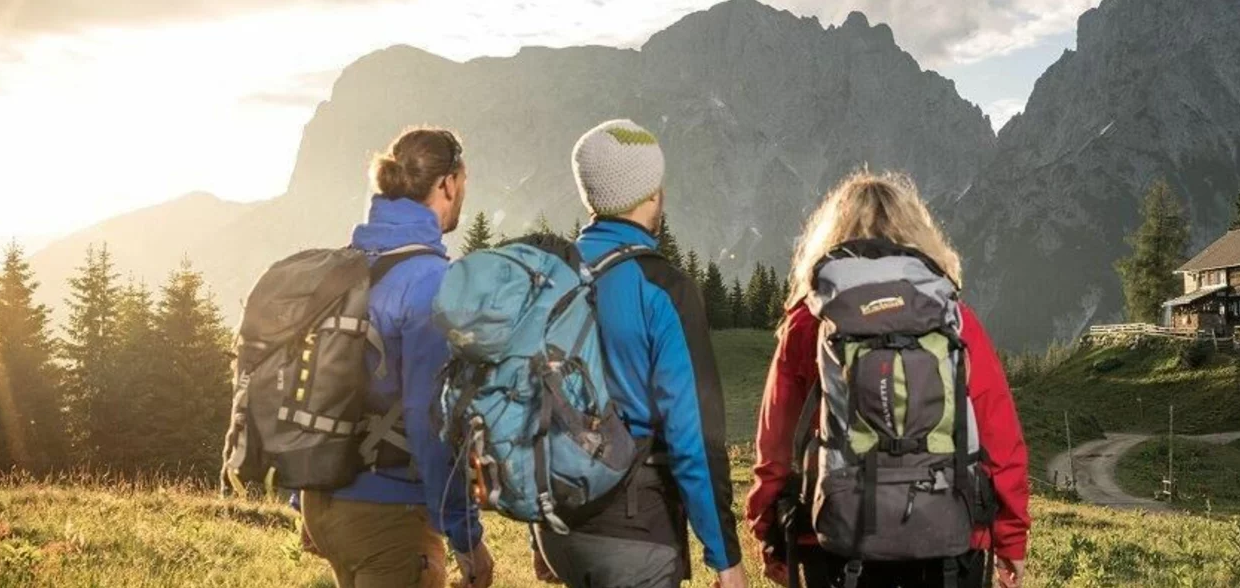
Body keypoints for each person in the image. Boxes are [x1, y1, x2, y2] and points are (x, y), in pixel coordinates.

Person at [746, 170, 1031, 588]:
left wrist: (766, 528)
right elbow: (1000, 438)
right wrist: (1011, 540)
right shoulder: (952, 318)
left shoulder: (810, 321)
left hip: (834, 535)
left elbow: (776, 444)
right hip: (949, 534)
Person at [530, 119, 748, 588]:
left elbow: (535, 402)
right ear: (652, 192)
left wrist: (538, 533)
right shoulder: (662, 287)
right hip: (635, 530)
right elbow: (695, 436)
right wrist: (725, 558)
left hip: (559, 527)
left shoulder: (552, 277)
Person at [299, 127, 494, 588]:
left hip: (324, 502)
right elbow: (432, 421)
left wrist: (300, 496)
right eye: (462, 183)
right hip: (388, 514)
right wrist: (466, 539)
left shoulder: (349, 263)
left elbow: (317, 383)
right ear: (447, 184)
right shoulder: (429, 281)